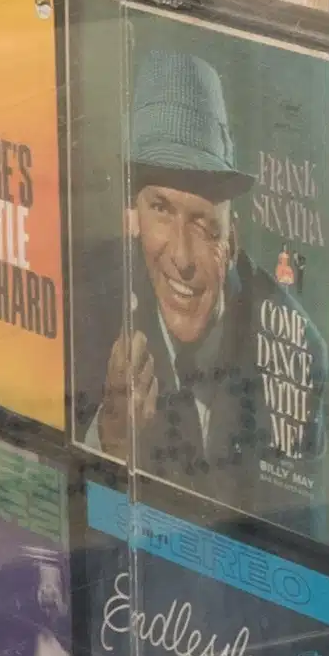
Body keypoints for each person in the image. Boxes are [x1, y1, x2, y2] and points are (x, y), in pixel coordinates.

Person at [91, 45, 278, 491]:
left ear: (233, 239)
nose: (181, 257)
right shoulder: (88, 301)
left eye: (203, 223)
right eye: (160, 209)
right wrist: (112, 441)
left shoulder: (287, 344)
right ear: (131, 217)